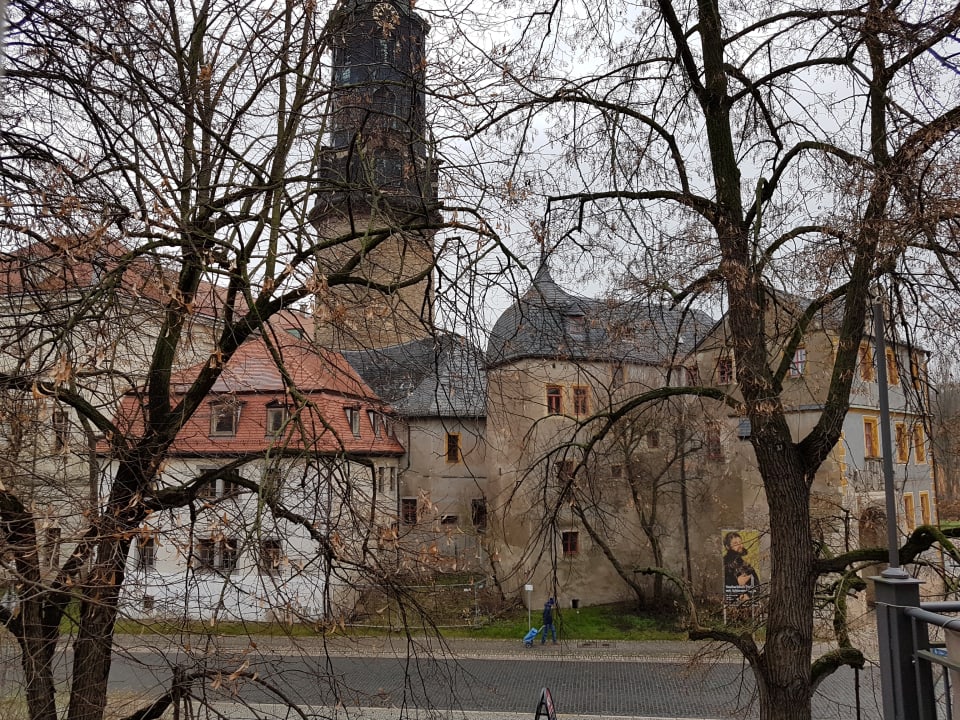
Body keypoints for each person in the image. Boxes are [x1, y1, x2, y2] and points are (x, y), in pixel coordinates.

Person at [723, 531, 759, 603]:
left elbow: (757, 586)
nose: (740, 545)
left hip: (748, 604)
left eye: (740, 542)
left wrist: (748, 596)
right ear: (727, 547)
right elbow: (722, 587)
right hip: (730, 605)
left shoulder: (746, 565)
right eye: (735, 543)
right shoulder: (723, 563)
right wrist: (737, 582)